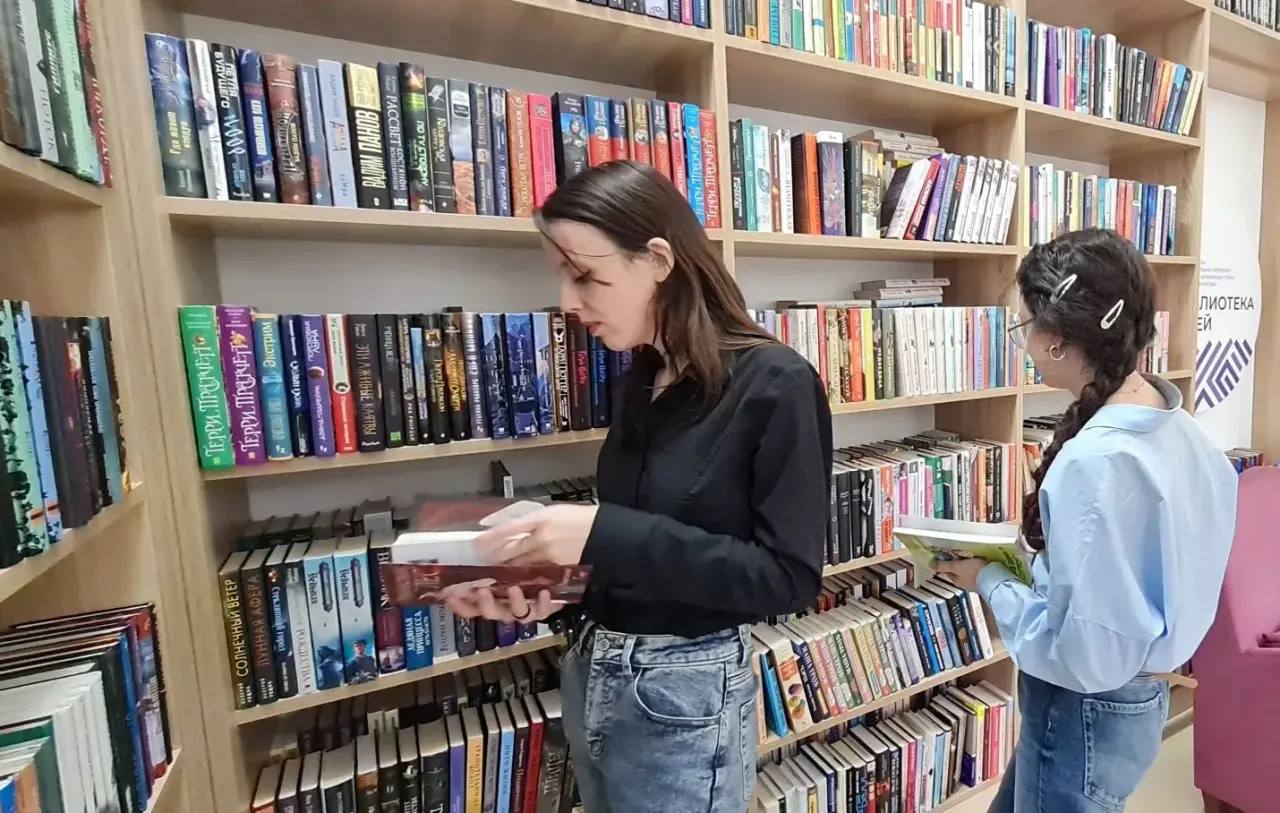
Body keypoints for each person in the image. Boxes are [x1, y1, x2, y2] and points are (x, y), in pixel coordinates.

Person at [448, 160, 832, 812]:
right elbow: (640, 553)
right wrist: (551, 593)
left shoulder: (776, 382)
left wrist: (598, 531)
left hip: (685, 691)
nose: (568, 302)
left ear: (657, 259)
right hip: (593, 666)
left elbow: (788, 578)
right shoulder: (641, 380)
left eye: (584, 275)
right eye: (561, 276)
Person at [934, 229, 1238, 813]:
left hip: (1084, 708)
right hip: (1138, 697)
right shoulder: (1183, 429)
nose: (1023, 345)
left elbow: (1081, 655)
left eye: (1024, 327)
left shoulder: (1093, 463)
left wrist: (989, 581)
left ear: (1057, 340)